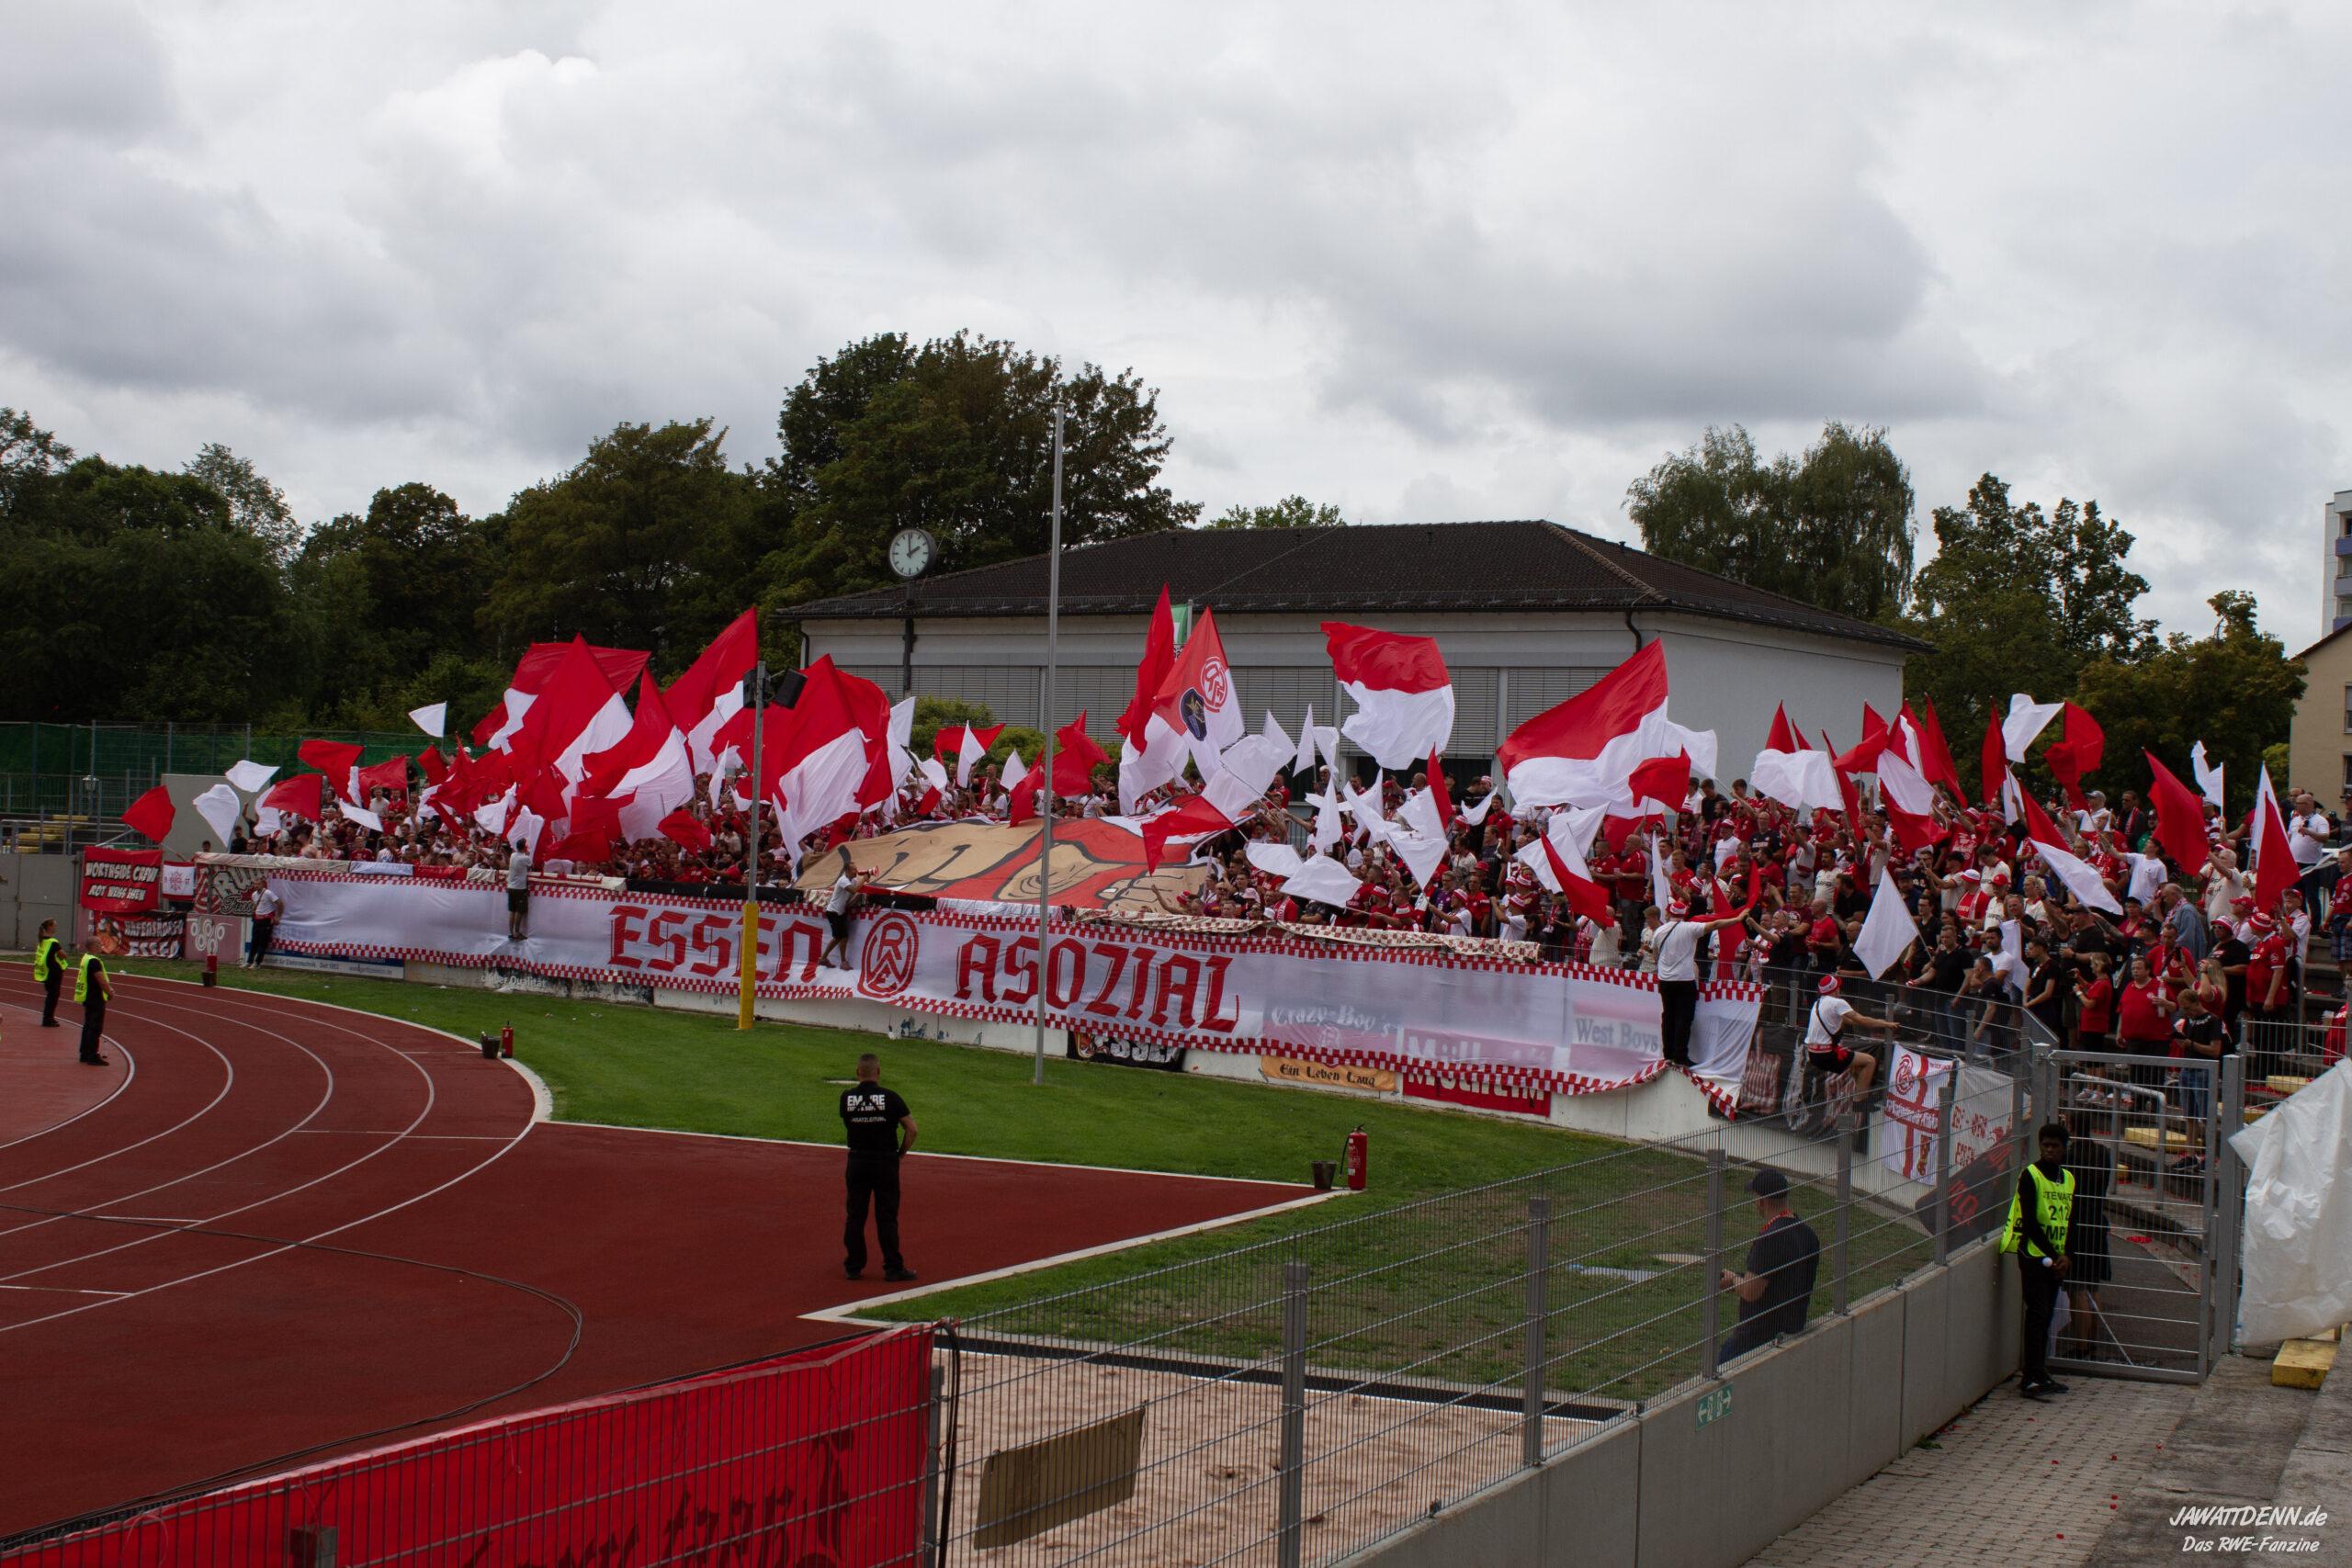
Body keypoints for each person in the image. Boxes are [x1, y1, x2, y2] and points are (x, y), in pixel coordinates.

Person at [2002, 1124, 2075, 1398]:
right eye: (2046, 1145)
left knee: (2046, 1317)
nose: (2050, 1150)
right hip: (2034, 1256)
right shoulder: (2030, 1175)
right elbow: (2030, 1222)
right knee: (2037, 1314)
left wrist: (2067, 1256)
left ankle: (2039, 1371)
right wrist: (2056, 1256)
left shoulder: (2068, 1179)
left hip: (2057, 1259)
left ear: (2064, 1148)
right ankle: (2030, 1377)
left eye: (2055, 1146)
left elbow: (2071, 1220)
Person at [1717, 1168, 1821, 1360]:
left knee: (1719, 1370)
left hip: (1757, 1337)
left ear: (1761, 1201)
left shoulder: (1770, 1238)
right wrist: (1741, 1277)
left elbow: (1751, 1292)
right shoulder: (1807, 1234)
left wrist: (1733, 1281)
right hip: (1792, 1327)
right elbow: (1781, 1278)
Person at [840, 1052, 918, 1282]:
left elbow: (848, 1123)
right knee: (886, 1216)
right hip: (885, 1162)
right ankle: (893, 1267)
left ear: (858, 1072)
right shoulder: (891, 1097)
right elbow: (912, 1129)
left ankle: (853, 1266)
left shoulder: (846, 1098)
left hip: (857, 1161)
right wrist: (900, 1154)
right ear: (878, 1072)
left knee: (855, 1215)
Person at [1654, 898, 1749, 1067]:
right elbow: (1715, 924)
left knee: (1668, 1016)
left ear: (1669, 913)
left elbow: (1656, 955)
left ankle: (1668, 1054)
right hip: (1684, 979)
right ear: (1685, 914)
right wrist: (1737, 919)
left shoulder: (1659, 931)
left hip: (1665, 979)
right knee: (1684, 1018)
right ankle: (1680, 1056)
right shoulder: (1689, 928)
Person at [2061, 1121, 2113, 1361]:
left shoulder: (2070, 1156)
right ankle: (2092, 1341)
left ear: (2071, 1126)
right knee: (2092, 1287)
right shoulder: (2102, 1153)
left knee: (2077, 1289)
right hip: (2096, 1221)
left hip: (2078, 1224)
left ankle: (2081, 1345)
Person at [1803, 974, 1897, 1100]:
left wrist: (1876, 1021)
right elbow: (1861, 1019)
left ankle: (1857, 1092)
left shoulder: (1818, 1003)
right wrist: (1886, 1024)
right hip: (1827, 1055)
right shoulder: (1838, 1003)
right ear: (1836, 989)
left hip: (1813, 1054)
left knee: (1856, 1065)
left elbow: (1849, 1020)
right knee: (1870, 1061)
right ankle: (1860, 1101)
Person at [809, 856, 860, 980]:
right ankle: (831, 959)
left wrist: (863, 880)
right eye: (854, 869)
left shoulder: (853, 880)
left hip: (840, 912)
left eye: (856, 869)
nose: (856, 871)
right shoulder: (843, 880)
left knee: (842, 937)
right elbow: (854, 891)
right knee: (839, 937)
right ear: (847, 871)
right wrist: (864, 879)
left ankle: (831, 959)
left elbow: (857, 889)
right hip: (833, 912)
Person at [74, 944, 112, 1066]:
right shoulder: (94, 962)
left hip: (88, 996)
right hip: (96, 997)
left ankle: (84, 1053)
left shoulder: (86, 958)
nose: (101, 946)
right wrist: (109, 992)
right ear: (94, 946)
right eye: (99, 944)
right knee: (95, 1028)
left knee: (88, 1026)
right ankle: (92, 1055)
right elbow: (101, 980)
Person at [31, 919, 67, 1027]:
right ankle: (48, 1019)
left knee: (50, 995)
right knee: (53, 996)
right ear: (50, 927)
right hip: (54, 972)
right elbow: (63, 955)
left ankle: (47, 1017)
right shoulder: (53, 942)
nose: (56, 927)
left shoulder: (42, 941)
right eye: (55, 925)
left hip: (47, 972)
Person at [247, 882, 283, 968]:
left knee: (263, 942)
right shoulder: (254, 894)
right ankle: (249, 962)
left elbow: (280, 903)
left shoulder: (268, 893)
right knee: (254, 941)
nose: (256, 886)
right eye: (255, 884)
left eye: (258, 884)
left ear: (262, 885)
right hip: (257, 919)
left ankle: (257, 963)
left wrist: (278, 917)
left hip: (266, 920)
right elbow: (256, 905)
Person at [505, 839, 532, 940]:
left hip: (511, 886)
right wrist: (528, 855)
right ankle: (517, 933)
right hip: (520, 888)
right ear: (525, 847)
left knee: (512, 910)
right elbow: (531, 866)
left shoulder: (513, 855)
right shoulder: (525, 858)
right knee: (519, 911)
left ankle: (511, 933)